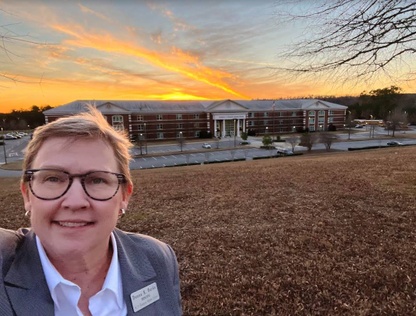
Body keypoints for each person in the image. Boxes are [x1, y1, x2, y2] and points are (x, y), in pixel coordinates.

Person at [0, 106, 182, 315]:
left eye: (97, 179)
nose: (75, 201)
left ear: (124, 196)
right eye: (53, 178)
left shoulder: (157, 258)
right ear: (27, 194)